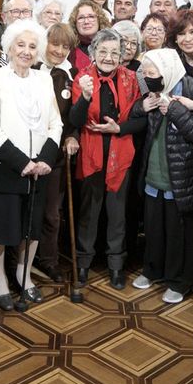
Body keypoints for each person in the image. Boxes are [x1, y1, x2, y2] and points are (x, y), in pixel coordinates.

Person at [0, 19, 63, 310]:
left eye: (32, 46)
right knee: (2, 230)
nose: (26, 51)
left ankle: (24, 275)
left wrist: (44, 160)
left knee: (31, 229)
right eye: (21, 45)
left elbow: (55, 123)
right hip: (5, 166)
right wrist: (20, 162)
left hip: (39, 169)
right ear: (10, 47)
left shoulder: (44, 79)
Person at [130, 48, 193, 304]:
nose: (147, 78)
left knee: (180, 234)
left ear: (167, 70)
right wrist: (140, 107)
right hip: (154, 174)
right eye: (144, 73)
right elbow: (137, 118)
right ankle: (153, 270)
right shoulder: (154, 90)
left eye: (151, 73)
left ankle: (179, 281)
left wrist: (177, 111)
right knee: (154, 229)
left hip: (183, 177)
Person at [69, 29, 144, 290]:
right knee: (89, 211)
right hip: (91, 151)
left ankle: (116, 266)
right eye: (103, 51)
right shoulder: (83, 79)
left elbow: (141, 120)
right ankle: (83, 263)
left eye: (115, 52)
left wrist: (119, 129)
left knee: (117, 212)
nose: (109, 57)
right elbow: (75, 121)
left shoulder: (131, 80)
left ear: (122, 55)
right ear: (93, 53)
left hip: (121, 152)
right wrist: (86, 97)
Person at [37, 23, 80, 282]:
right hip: (28, 152)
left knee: (53, 213)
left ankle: (49, 260)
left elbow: (74, 115)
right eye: (55, 44)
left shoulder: (71, 75)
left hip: (56, 156)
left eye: (66, 46)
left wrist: (73, 135)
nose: (60, 50)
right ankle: (17, 262)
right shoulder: (30, 69)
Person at [67, 0, 111, 72]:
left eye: (91, 17)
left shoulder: (111, 46)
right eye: (81, 18)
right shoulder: (68, 50)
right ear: (75, 23)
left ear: (99, 20)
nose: (86, 22)